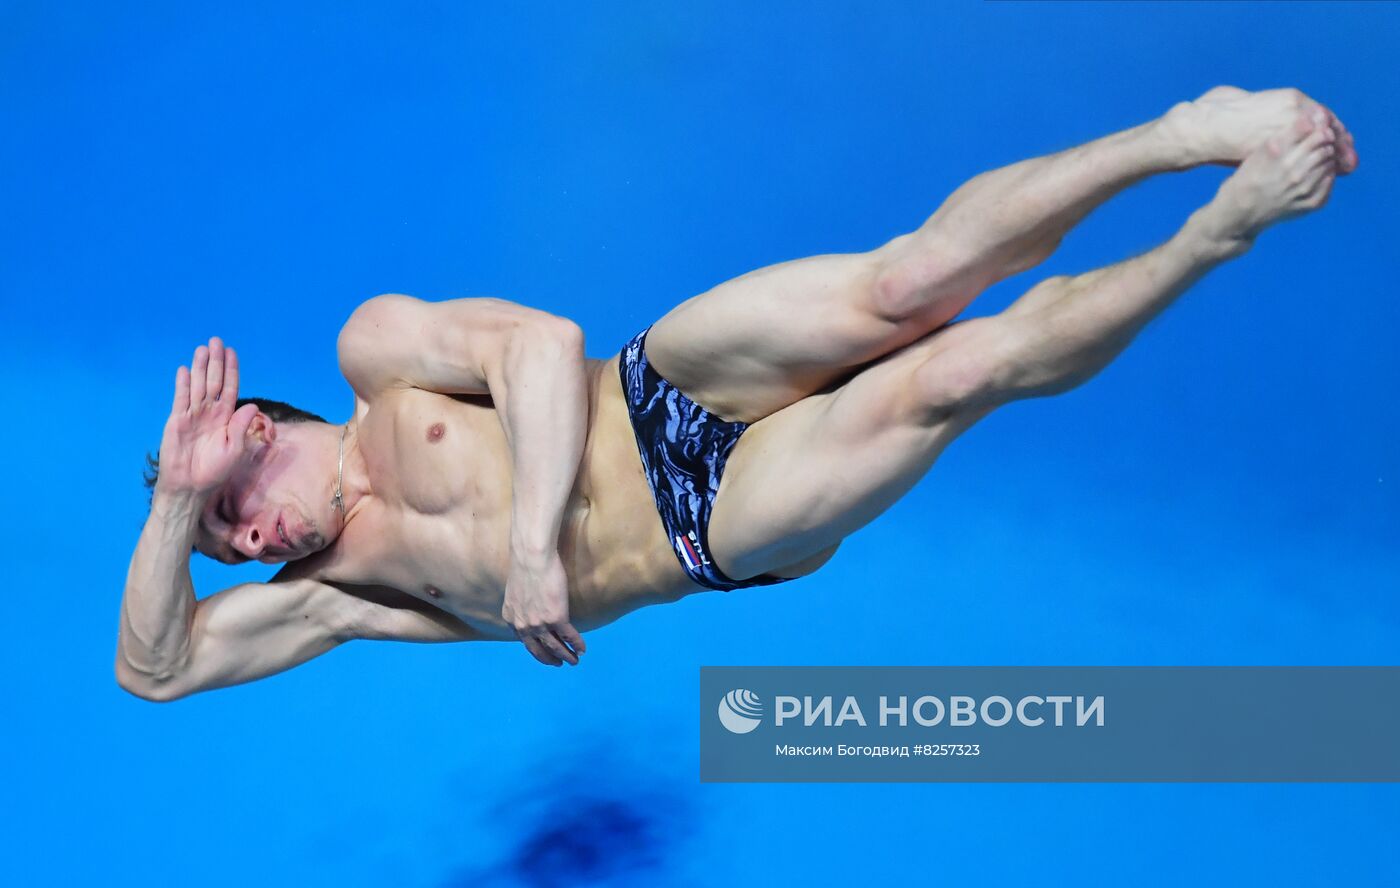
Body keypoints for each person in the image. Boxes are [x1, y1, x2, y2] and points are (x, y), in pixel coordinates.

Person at [116, 87, 1356, 700]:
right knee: (961, 373)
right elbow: (155, 672)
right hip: (708, 525)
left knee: (907, 283)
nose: (255, 544)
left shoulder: (375, 356)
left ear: (256, 425)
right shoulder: (336, 597)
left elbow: (543, 346)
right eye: (232, 546)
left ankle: (1176, 133)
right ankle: (1217, 233)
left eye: (237, 511)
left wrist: (535, 549)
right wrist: (175, 508)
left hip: (650, 387)